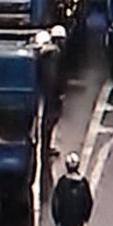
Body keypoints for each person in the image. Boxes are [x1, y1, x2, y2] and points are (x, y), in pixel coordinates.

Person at [51, 152, 94, 226]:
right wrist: (84, 218)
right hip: (76, 224)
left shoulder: (62, 183)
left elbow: (55, 202)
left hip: (63, 223)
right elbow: (88, 202)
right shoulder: (83, 183)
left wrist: (57, 220)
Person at [43, 24, 67, 155]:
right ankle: (46, 147)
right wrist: (58, 92)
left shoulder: (51, 53)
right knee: (51, 119)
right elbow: (54, 76)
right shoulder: (55, 54)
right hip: (51, 94)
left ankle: (46, 145)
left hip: (49, 92)